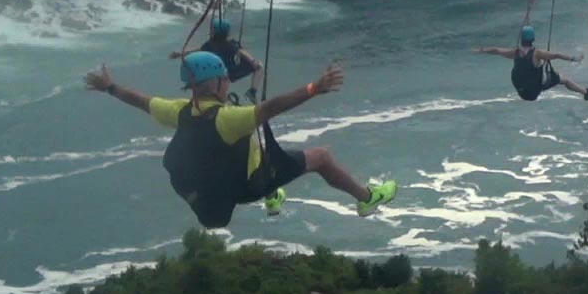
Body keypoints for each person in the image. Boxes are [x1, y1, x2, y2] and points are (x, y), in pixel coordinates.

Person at [83, 52, 397, 227]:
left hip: (217, 187)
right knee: (321, 157)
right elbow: (271, 107)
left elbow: (142, 100)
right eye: (225, 80)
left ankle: (275, 196)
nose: (228, 84)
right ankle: (367, 198)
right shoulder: (227, 119)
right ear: (217, 83)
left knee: (260, 148)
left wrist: (110, 87)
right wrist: (316, 87)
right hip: (252, 183)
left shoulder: (180, 111)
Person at [477, 25, 588, 101]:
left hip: (521, 90)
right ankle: (586, 93)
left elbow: (497, 50)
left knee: (539, 74)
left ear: (522, 39)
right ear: (533, 39)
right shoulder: (537, 53)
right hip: (533, 90)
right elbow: (556, 55)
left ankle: (586, 92)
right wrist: (575, 59)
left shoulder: (515, 52)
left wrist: (481, 50)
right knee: (565, 80)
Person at [171, 18, 261, 87]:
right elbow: (241, 52)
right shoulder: (230, 44)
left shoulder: (209, 44)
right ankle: (252, 91)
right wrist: (252, 61)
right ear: (227, 32)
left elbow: (198, 50)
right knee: (259, 67)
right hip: (229, 73)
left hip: (215, 74)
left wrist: (181, 54)